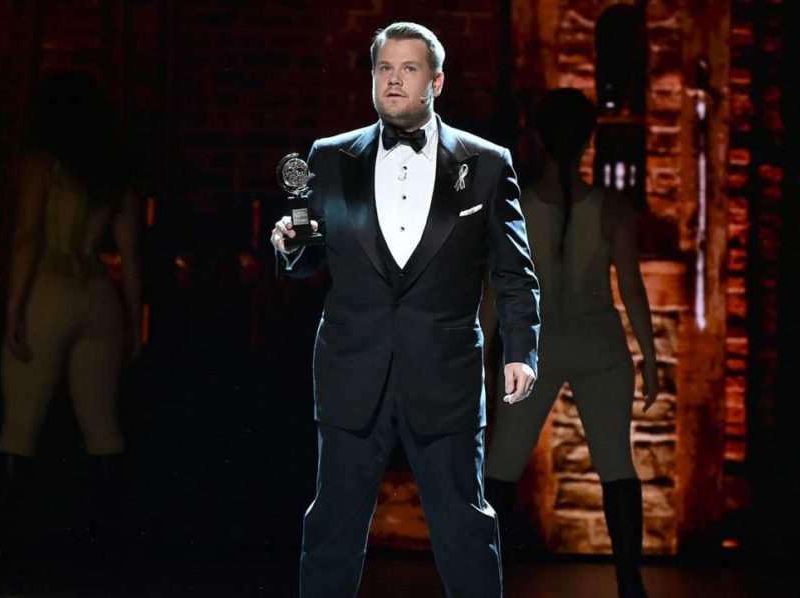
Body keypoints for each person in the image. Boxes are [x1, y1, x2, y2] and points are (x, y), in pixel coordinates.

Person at [271, 22, 540, 597]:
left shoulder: (486, 163)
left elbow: (513, 270)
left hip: (445, 373)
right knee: (332, 527)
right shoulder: (329, 157)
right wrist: (289, 245)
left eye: (409, 69)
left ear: (436, 82)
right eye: (384, 69)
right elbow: (308, 257)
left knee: (465, 528)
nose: (394, 81)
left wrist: (521, 350)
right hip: (352, 368)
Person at [484, 88, 658, 598]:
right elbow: (631, 288)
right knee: (616, 465)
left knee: (500, 467)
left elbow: (495, 291)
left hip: (531, 350)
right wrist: (649, 357)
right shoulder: (612, 207)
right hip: (598, 345)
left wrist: (478, 357)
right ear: (588, 141)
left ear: (539, 139)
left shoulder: (513, 206)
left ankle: (482, 578)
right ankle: (630, 583)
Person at [0, 71, 142, 563]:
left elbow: (27, 237)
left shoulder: (42, 162)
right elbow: (130, 253)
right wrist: (133, 319)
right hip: (99, 294)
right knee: (103, 428)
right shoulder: (113, 169)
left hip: (49, 291)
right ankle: (112, 548)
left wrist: (13, 307)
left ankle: (4, 547)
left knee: (19, 426)